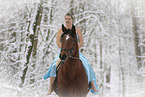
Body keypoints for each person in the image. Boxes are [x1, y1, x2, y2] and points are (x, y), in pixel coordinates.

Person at [43, 13, 99, 95]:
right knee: (54, 65)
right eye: (66, 19)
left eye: (69, 19)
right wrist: (63, 49)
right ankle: (51, 87)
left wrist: (75, 49)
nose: (67, 20)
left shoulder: (77, 30)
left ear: (72, 20)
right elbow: (58, 41)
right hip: (63, 51)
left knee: (87, 64)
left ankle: (93, 85)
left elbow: (81, 41)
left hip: (75, 52)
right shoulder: (60, 30)